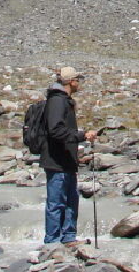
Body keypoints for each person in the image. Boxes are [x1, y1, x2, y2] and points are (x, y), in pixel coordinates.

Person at [41, 66, 97, 245]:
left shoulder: (64, 100)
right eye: (77, 80)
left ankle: (68, 237)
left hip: (66, 161)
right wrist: (81, 136)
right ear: (71, 81)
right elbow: (55, 130)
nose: (79, 83)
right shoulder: (57, 101)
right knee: (57, 203)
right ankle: (52, 242)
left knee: (70, 201)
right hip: (57, 161)